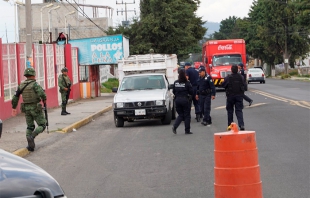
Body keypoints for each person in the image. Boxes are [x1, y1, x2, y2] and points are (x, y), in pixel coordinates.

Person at [11, 67, 47, 151]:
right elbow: (42, 94)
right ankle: (32, 136)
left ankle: (30, 146)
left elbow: (15, 97)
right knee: (42, 125)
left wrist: (14, 107)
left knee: (30, 126)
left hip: (26, 108)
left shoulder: (21, 85)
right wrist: (44, 99)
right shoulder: (35, 84)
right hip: (35, 108)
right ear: (33, 75)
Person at [222, 64, 246, 131]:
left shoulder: (228, 77)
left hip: (230, 96)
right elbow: (243, 84)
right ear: (237, 70)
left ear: (231, 70)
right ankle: (241, 125)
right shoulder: (241, 77)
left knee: (230, 111)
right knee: (239, 111)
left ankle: (230, 125)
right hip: (239, 96)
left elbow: (223, 85)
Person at [172, 69, 194, 135]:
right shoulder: (187, 83)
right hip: (185, 100)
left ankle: (175, 126)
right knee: (187, 115)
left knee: (181, 115)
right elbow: (191, 92)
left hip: (177, 100)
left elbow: (173, 91)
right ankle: (187, 130)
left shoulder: (176, 82)